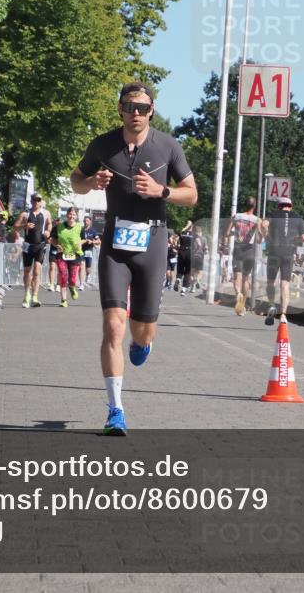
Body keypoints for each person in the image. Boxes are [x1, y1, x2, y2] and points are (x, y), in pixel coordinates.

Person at [71, 82, 197, 436]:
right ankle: (115, 410)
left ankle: (143, 342)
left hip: (152, 241)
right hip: (115, 240)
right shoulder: (103, 145)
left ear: (152, 110)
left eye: (142, 107)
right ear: (120, 109)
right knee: (113, 324)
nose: (135, 112)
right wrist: (91, 182)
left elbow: (192, 195)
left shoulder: (168, 146)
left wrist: (163, 191)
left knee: (141, 332)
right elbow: (75, 181)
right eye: (129, 106)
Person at [261, 195, 304, 325]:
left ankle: (271, 304)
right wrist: (295, 240)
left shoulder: (274, 214)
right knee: (285, 284)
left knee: (271, 282)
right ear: (290, 206)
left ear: (278, 206)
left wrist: (267, 237)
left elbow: (263, 225)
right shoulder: (297, 218)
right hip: (288, 253)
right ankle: (283, 315)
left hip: (274, 252)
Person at [224, 196, 260, 316]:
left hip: (238, 248)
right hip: (250, 250)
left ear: (245, 205)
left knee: (237, 276)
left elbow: (227, 233)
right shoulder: (256, 220)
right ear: (254, 206)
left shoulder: (237, 216)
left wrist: (236, 233)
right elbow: (259, 239)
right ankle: (242, 306)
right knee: (246, 278)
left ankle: (238, 292)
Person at [14, 193, 51, 308]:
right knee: (27, 271)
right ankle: (26, 294)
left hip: (40, 245)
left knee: (37, 271)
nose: (36, 202)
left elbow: (49, 225)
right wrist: (24, 226)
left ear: (41, 201)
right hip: (27, 245)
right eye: (34, 200)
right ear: (31, 201)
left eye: (38, 200)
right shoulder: (25, 214)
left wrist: (48, 232)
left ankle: (35, 296)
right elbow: (15, 227)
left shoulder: (46, 213)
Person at [54, 207, 84, 307]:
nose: (71, 216)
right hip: (61, 255)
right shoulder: (59, 226)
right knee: (63, 275)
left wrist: (80, 243)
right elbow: (52, 239)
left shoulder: (80, 227)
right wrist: (56, 244)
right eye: (70, 214)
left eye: (74, 214)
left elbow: (84, 239)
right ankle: (63, 300)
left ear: (76, 216)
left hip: (75, 255)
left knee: (72, 278)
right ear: (67, 215)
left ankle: (72, 287)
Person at [79, 215, 100, 291]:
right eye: (84, 221)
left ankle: (88, 275)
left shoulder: (93, 231)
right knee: (81, 265)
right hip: (81, 250)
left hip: (89, 250)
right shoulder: (81, 230)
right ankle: (81, 284)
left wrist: (92, 241)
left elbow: (99, 241)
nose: (85, 222)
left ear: (90, 222)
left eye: (87, 220)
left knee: (88, 268)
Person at [176, 221, 194, 296]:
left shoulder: (182, 233)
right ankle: (183, 290)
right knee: (187, 272)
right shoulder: (194, 235)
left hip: (181, 251)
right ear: (192, 227)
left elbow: (178, 232)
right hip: (189, 252)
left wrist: (187, 225)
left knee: (180, 268)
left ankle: (178, 279)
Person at [190, 225, 207, 292]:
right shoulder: (204, 238)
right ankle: (197, 279)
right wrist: (206, 251)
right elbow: (206, 248)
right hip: (200, 257)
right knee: (200, 272)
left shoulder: (192, 239)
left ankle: (192, 287)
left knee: (192, 273)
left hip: (193, 257)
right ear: (201, 231)